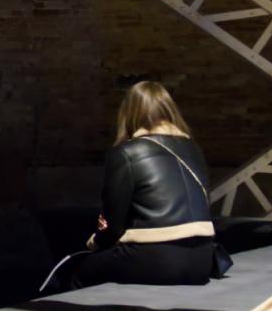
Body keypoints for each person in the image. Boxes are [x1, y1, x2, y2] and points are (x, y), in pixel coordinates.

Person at [42, 79, 228, 292]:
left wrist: (96, 241)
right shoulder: (193, 149)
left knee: (77, 273)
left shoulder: (127, 152)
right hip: (202, 260)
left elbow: (114, 225)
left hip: (154, 259)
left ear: (129, 113)